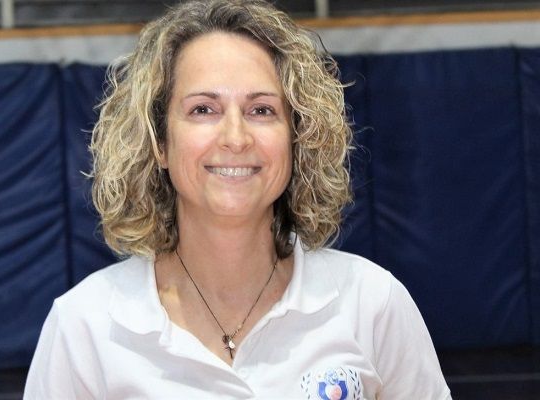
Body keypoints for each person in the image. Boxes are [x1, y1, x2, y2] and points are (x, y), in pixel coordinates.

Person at [24, 0, 452, 398]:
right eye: (203, 109)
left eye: (261, 110)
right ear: (160, 143)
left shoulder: (372, 303)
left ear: (296, 138)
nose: (235, 137)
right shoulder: (85, 326)